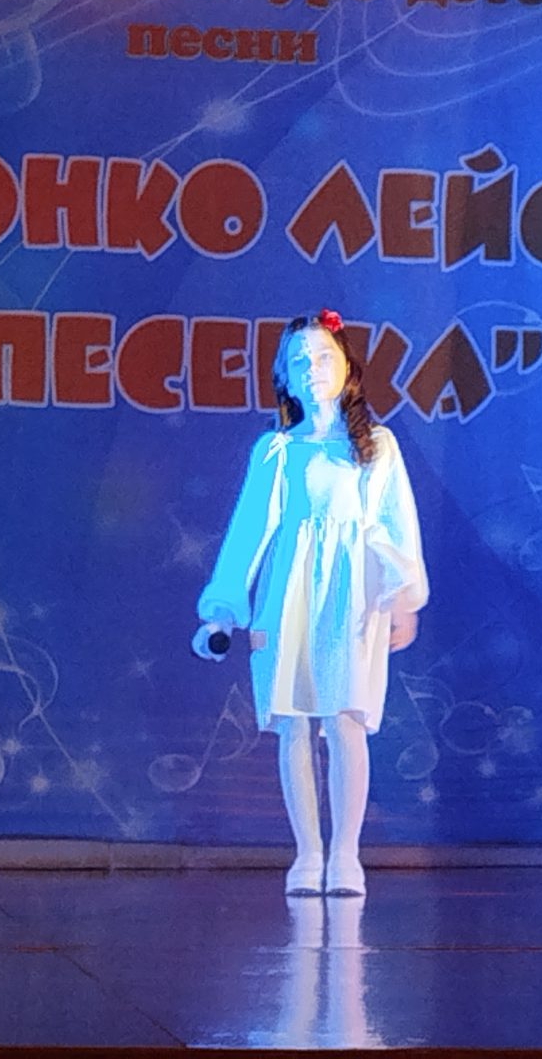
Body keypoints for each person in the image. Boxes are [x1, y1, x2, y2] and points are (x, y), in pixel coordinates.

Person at [193, 310, 429, 897]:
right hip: (288, 592)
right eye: (300, 360)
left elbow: (393, 524)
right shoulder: (277, 450)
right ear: (284, 376)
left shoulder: (375, 445)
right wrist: (223, 609)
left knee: (346, 719)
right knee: (294, 722)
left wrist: (403, 597)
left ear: (347, 365)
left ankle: (346, 855)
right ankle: (308, 853)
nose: (313, 368)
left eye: (324, 356)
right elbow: (249, 530)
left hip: (353, 594)